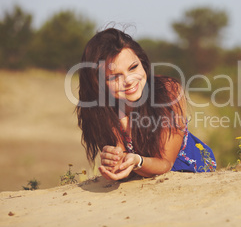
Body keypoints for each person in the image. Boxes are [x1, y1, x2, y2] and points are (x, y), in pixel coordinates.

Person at [76, 28, 216, 180]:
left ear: (142, 62)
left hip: (192, 171)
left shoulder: (168, 91)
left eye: (133, 67)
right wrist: (114, 161)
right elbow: (122, 159)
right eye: (116, 77)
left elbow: (166, 163)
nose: (129, 80)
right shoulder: (102, 111)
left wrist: (137, 161)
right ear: (99, 84)